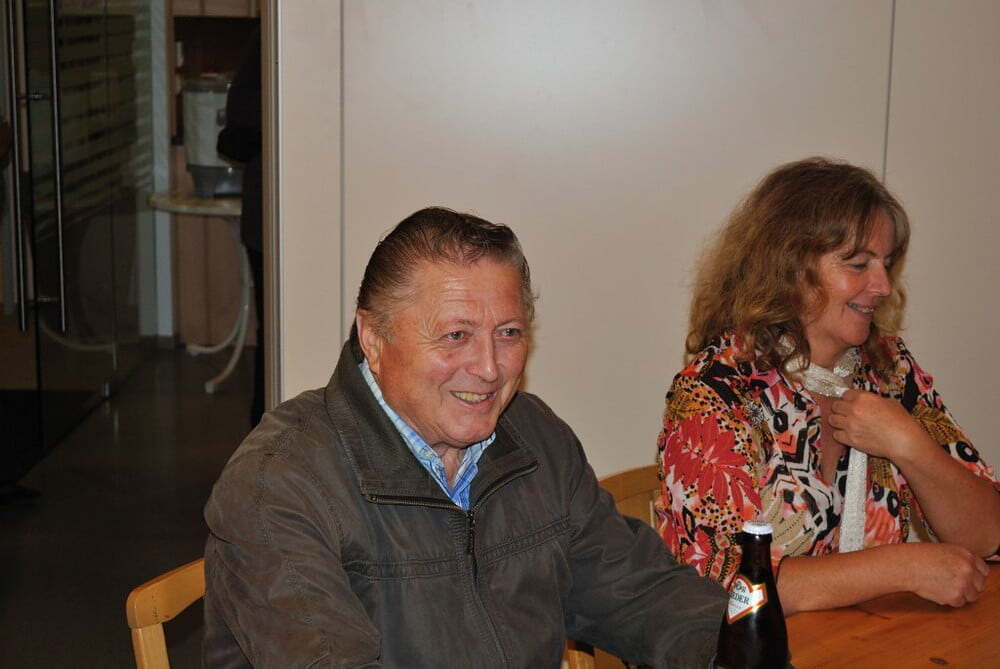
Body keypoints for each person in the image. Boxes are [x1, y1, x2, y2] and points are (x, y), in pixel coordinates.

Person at [203, 207, 726, 668]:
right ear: (374, 338)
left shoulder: (535, 438)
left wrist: (742, 647)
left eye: (508, 333)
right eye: (456, 336)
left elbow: (641, 595)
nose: (489, 368)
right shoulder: (279, 483)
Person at [656, 157, 1000, 615]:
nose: (882, 285)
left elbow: (988, 535)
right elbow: (724, 586)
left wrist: (910, 444)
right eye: (857, 264)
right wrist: (899, 568)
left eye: (886, 263)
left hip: (867, 640)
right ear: (789, 267)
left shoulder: (888, 368)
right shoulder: (715, 390)